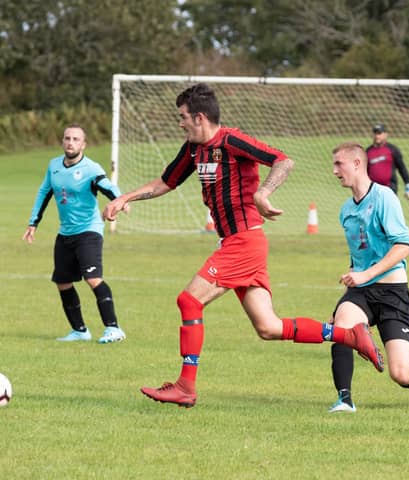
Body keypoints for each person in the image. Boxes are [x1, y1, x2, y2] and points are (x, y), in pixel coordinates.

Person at [102, 83, 384, 408]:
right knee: (268, 327)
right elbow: (167, 182)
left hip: (244, 241)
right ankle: (349, 335)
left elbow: (283, 161)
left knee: (189, 301)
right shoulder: (193, 148)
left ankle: (185, 386)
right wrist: (125, 197)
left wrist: (263, 193)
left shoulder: (231, 140)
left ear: (199, 117)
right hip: (237, 242)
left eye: (182, 117)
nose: (179, 123)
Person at [328, 142, 409, 413]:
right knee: (342, 329)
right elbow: (359, 255)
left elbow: (403, 246)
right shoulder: (345, 211)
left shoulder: (384, 197)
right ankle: (345, 400)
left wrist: (366, 274)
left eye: (339, 164)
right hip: (362, 292)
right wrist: (346, 296)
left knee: (401, 373)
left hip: (392, 292)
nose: (334, 171)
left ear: (357, 164)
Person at [23, 124, 126, 344]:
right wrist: (33, 222)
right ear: (63, 142)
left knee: (92, 278)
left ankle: (113, 328)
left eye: (76, 139)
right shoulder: (54, 166)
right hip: (65, 233)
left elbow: (108, 187)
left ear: (83, 144)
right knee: (63, 281)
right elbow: (44, 192)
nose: (71, 142)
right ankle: (80, 330)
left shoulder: (91, 168)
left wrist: (120, 201)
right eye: (67, 138)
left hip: (89, 230)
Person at [366, 123, 409, 199]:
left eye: (379, 133)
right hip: (372, 190)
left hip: (390, 188)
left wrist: (408, 184)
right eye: (375, 133)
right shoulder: (368, 152)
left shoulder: (392, 149)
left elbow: (402, 168)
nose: (377, 136)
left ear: (386, 135)